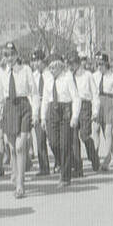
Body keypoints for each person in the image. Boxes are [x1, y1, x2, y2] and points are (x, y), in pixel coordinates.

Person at [0, 41, 38, 199]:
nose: (9, 58)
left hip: (23, 106)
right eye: (6, 55)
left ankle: (20, 184)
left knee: (20, 147)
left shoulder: (25, 70)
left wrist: (36, 113)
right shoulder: (0, 73)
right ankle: (16, 174)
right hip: (9, 108)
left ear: (17, 55)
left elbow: (34, 92)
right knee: (11, 148)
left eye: (12, 55)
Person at [39, 54, 81, 188]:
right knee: (53, 142)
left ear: (60, 66)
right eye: (50, 67)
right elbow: (45, 99)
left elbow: (76, 98)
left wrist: (74, 116)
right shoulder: (48, 79)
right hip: (52, 110)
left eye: (54, 67)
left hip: (65, 110)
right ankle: (63, 162)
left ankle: (65, 176)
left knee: (65, 144)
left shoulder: (68, 77)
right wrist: (42, 117)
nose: (52, 70)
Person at [92, 52, 113, 171]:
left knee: (108, 132)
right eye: (97, 64)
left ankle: (107, 159)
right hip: (97, 104)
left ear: (106, 64)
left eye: (101, 64)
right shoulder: (94, 76)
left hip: (110, 103)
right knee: (95, 129)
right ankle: (98, 155)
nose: (99, 67)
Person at [69, 53, 100, 176]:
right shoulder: (69, 77)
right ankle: (78, 168)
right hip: (72, 106)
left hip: (85, 106)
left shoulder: (88, 75)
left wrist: (95, 110)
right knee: (73, 138)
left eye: (72, 64)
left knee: (84, 135)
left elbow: (95, 93)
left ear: (78, 63)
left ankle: (94, 158)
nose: (70, 67)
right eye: (69, 64)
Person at [29, 49, 51, 176]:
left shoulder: (50, 74)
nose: (36, 63)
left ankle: (60, 162)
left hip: (49, 107)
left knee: (53, 139)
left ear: (43, 60)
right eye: (34, 61)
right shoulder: (34, 76)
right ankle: (44, 167)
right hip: (37, 107)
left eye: (38, 60)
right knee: (40, 139)